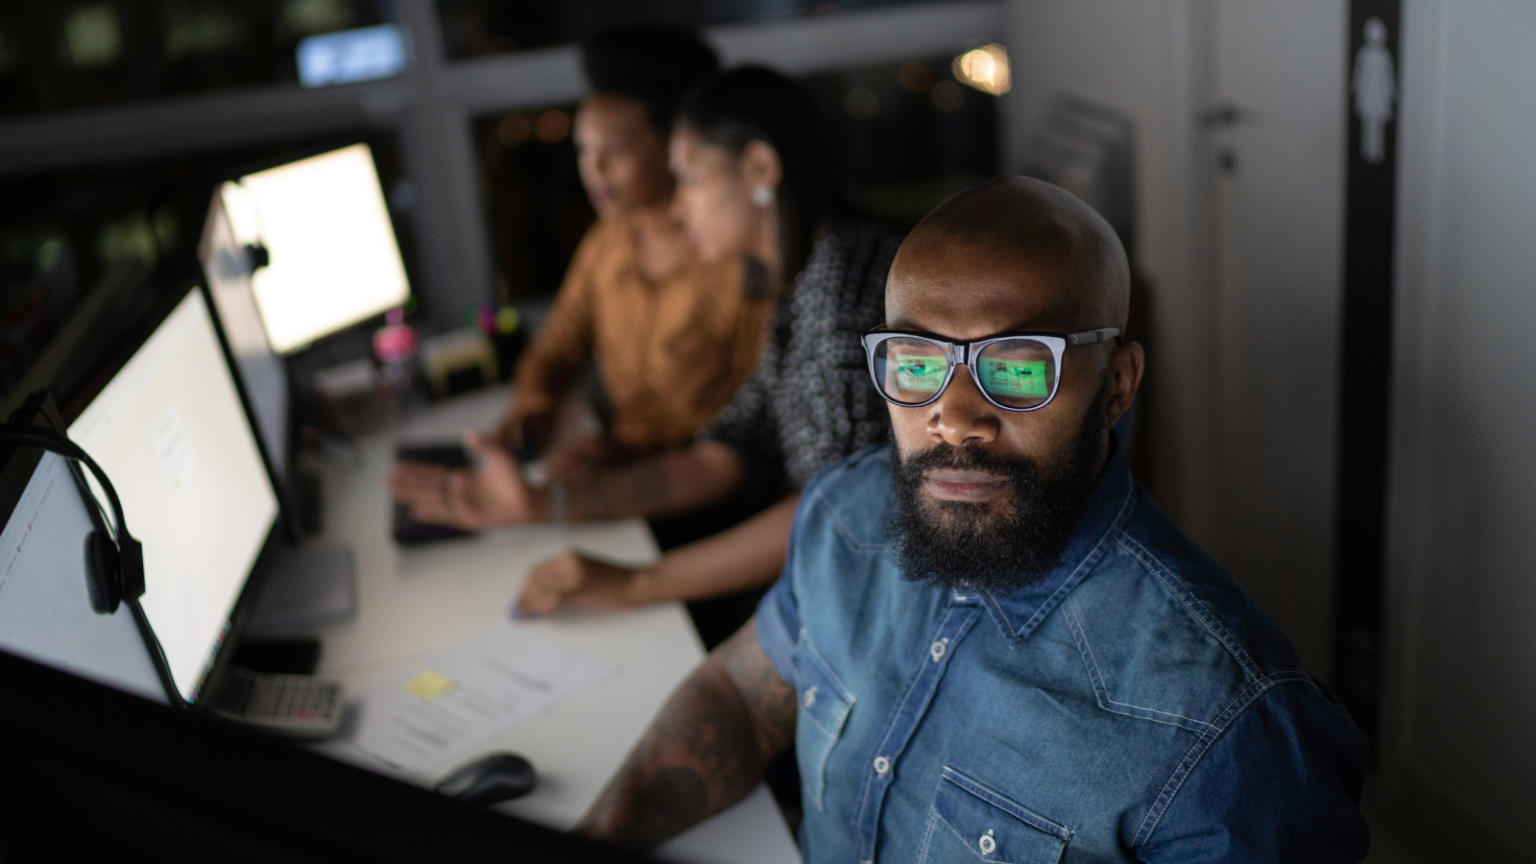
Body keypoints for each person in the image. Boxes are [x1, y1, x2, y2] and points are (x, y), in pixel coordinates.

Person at [574, 177, 1371, 861]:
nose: (954, 419)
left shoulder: (1229, 724)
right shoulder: (843, 519)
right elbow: (741, 700)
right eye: (917, 365)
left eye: (1019, 367)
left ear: (1119, 385)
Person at [388, 67, 900, 641]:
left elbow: (836, 517)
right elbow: (725, 454)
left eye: (689, 179)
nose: (678, 210)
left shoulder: (844, 288)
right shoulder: (797, 281)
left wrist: (635, 583)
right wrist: (542, 503)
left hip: (867, 612)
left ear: (760, 169)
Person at [495, 26, 774, 479]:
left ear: (676, 148)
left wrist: (625, 453)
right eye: (585, 149)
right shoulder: (607, 241)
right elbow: (555, 349)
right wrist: (535, 404)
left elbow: (749, 432)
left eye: (617, 150)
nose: (594, 170)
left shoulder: (735, 259)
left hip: (692, 490)